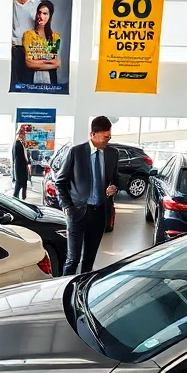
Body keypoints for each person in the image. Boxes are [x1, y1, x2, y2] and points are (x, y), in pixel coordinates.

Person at [55, 116, 118, 275]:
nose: (107, 140)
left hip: (99, 213)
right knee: (73, 259)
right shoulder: (76, 152)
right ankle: (63, 290)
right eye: (105, 137)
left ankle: (82, 290)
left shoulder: (112, 154)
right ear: (92, 134)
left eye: (109, 136)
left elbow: (116, 179)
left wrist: (114, 188)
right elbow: (60, 182)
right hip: (78, 213)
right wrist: (67, 207)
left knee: (89, 259)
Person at [10, 0, 40, 90]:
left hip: (32, 50)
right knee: (16, 85)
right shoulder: (10, 4)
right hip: (15, 50)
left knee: (30, 85)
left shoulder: (38, 5)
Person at [22, 0, 62, 86]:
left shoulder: (55, 37)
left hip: (51, 79)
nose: (41, 16)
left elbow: (57, 63)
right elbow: (29, 63)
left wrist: (38, 61)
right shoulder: (28, 35)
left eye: (45, 13)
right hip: (32, 79)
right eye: (39, 13)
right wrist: (47, 61)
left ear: (50, 17)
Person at [11, 126, 31, 200]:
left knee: (21, 183)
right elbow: (19, 158)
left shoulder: (20, 143)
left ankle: (19, 198)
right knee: (19, 184)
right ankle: (15, 199)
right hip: (20, 167)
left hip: (21, 166)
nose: (24, 136)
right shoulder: (18, 144)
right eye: (23, 134)